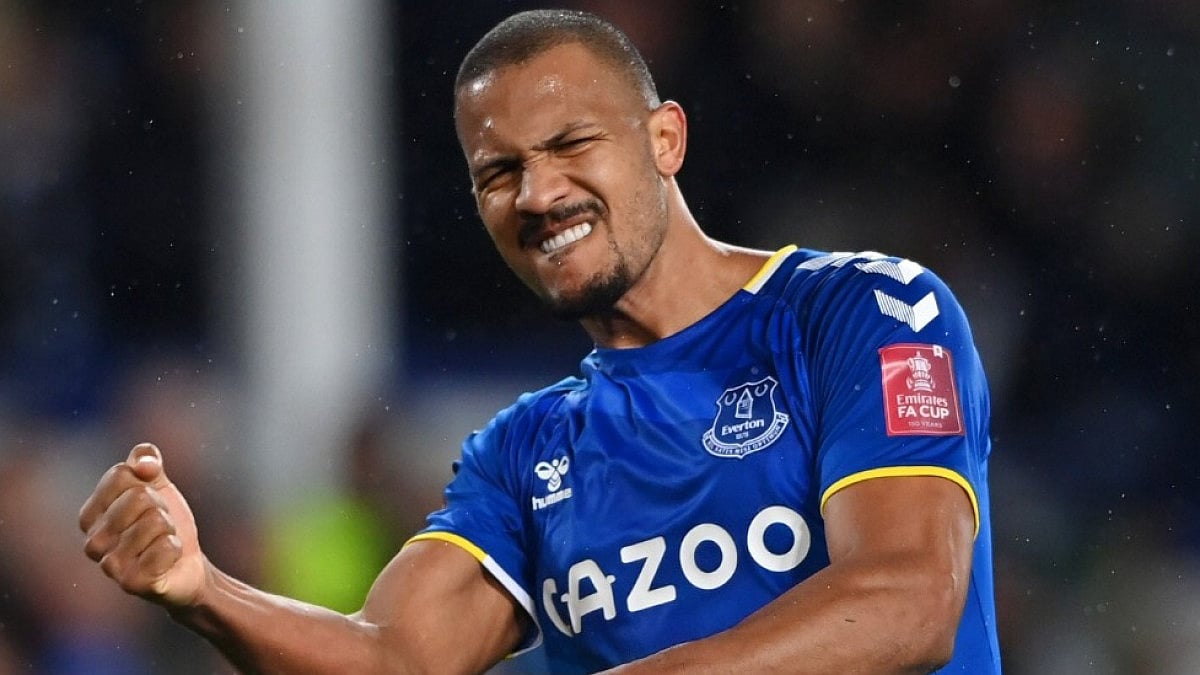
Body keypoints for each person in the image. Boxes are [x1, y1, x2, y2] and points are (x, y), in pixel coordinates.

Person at [79, 9, 1001, 674]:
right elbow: (394, 659)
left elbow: (909, 596)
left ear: (665, 137)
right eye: (500, 171)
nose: (538, 193)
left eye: (570, 144)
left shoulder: (863, 313)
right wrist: (202, 588)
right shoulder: (525, 454)